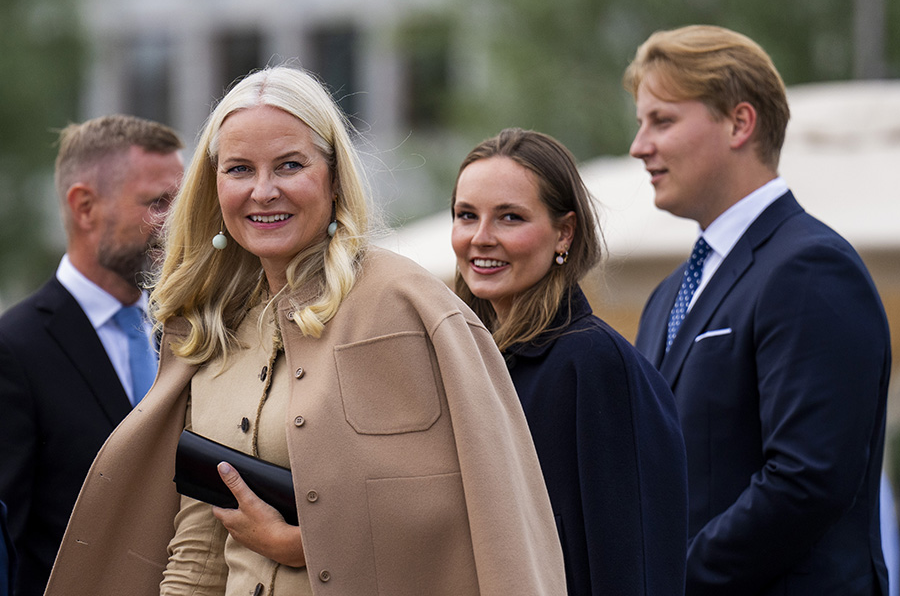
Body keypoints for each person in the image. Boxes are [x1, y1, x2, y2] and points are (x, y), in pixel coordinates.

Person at [43, 67, 566, 596]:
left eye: (290, 165)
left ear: (334, 177)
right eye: (239, 169)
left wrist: (308, 545)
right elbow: (199, 553)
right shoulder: (212, 325)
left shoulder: (409, 308)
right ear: (213, 186)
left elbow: (469, 516)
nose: (263, 191)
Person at [626, 25, 892, 595]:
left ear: (739, 123)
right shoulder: (667, 295)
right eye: (641, 122)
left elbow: (806, 480)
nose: (639, 145)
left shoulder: (811, 268)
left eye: (662, 121)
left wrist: (670, 579)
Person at [450, 127, 688, 595]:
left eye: (510, 217)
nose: (480, 237)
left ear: (565, 232)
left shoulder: (594, 364)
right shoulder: (466, 362)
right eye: (466, 215)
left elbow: (632, 562)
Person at [0, 114, 183, 596]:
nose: (177, 222)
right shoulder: (14, 349)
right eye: (158, 202)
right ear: (84, 207)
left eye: (182, 202)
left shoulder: (188, 330)